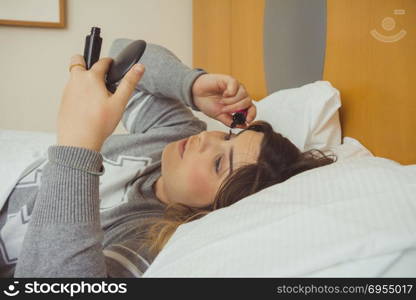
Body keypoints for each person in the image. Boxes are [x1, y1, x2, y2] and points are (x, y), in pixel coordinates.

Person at [0, 41, 334, 278]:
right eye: (226, 136)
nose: (205, 139)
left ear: (216, 209)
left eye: (219, 164)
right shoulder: (172, 134)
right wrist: (191, 86)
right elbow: (125, 53)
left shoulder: (149, 238)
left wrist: (77, 149)